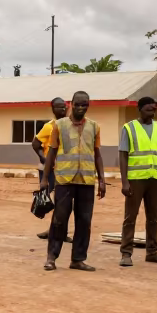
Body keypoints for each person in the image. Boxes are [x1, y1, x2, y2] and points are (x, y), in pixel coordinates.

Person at [42, 91, 105, 271]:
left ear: (88, 106)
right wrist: (45, 179)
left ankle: (77, 259)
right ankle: (51, 257)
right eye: (77, 104)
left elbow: (97, 154)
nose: (80, 108)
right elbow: (52, 152)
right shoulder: (59, 126)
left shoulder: (94, 127)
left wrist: (101, 179)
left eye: (84, 105)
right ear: (71, 104)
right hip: (64, 180)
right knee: (59, 220)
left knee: (84, 221)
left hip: (86, 181)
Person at [118, 96, 157, 267]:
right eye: (149, 109)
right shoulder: (129, 128)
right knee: (130, 217)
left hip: (155, 179)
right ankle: (126, 253)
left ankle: (152, 252)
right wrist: (124, 182)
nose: (152, 112)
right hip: (135, 180)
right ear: (140, 109)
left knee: (153, 218)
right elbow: (123, 155)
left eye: (154, 109)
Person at [32, 98, 71, 240]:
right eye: (59, 107)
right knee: (51, 200)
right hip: (49, 169)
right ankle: (55, 231)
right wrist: (45, 159)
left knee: (63, 201)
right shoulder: (49, 126)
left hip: (65, 168)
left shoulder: (69, 125)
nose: (62, 110)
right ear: (53, 109)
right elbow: (35, 144)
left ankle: (58, 231)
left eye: (64, 107)